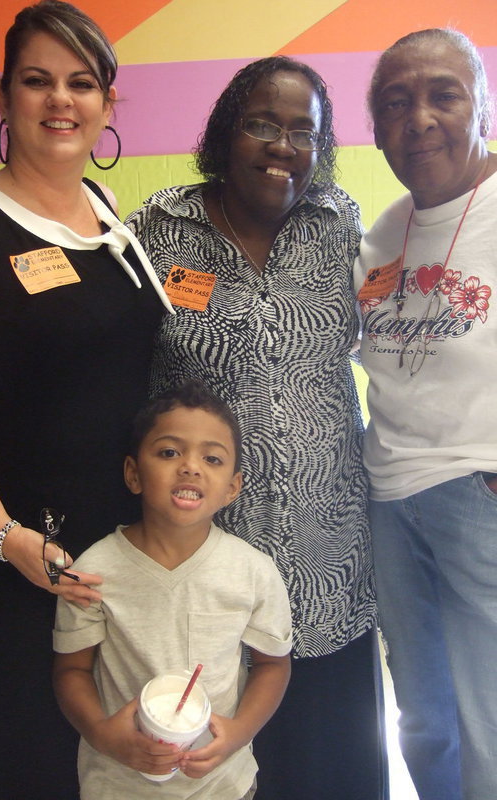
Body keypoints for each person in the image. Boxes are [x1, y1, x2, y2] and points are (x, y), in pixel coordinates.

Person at [0, 2, 173, 798]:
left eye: (82, 83)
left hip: (110, 546)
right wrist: (6, 536)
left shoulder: (107, 215)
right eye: (37, 81)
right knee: (38, 762)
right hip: (15, 549)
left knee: (115, 756)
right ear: (3, 97)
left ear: (108, 104)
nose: (61, 101)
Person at [126, 57, 387, 799]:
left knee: (335, 760)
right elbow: (103, 352)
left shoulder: (339, 224)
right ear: (223, 133)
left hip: (328, 547)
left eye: (304, 131)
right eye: (262, 125)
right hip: (207, 552)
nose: (282, 146)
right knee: (218, 757)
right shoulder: (159, 227)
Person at [354, 28, 497, 800]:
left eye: (443, 94)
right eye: (396, 103)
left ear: (482, 104)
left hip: (483, 497)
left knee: (492, 723)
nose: (421, 118)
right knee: (425, 720)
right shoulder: (380, 235)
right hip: (390, 503)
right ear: (375, 130)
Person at [53, 380, 292, 799]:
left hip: (224, 786)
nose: (191, 467)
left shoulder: (254, 572)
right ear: (133, 474)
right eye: (169, 452)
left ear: (232, 488)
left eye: (213, 458)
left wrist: (237, 734)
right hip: (118, 785)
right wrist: (103, 735)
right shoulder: (93, 571)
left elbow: (273, 666)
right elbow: (71, 670)